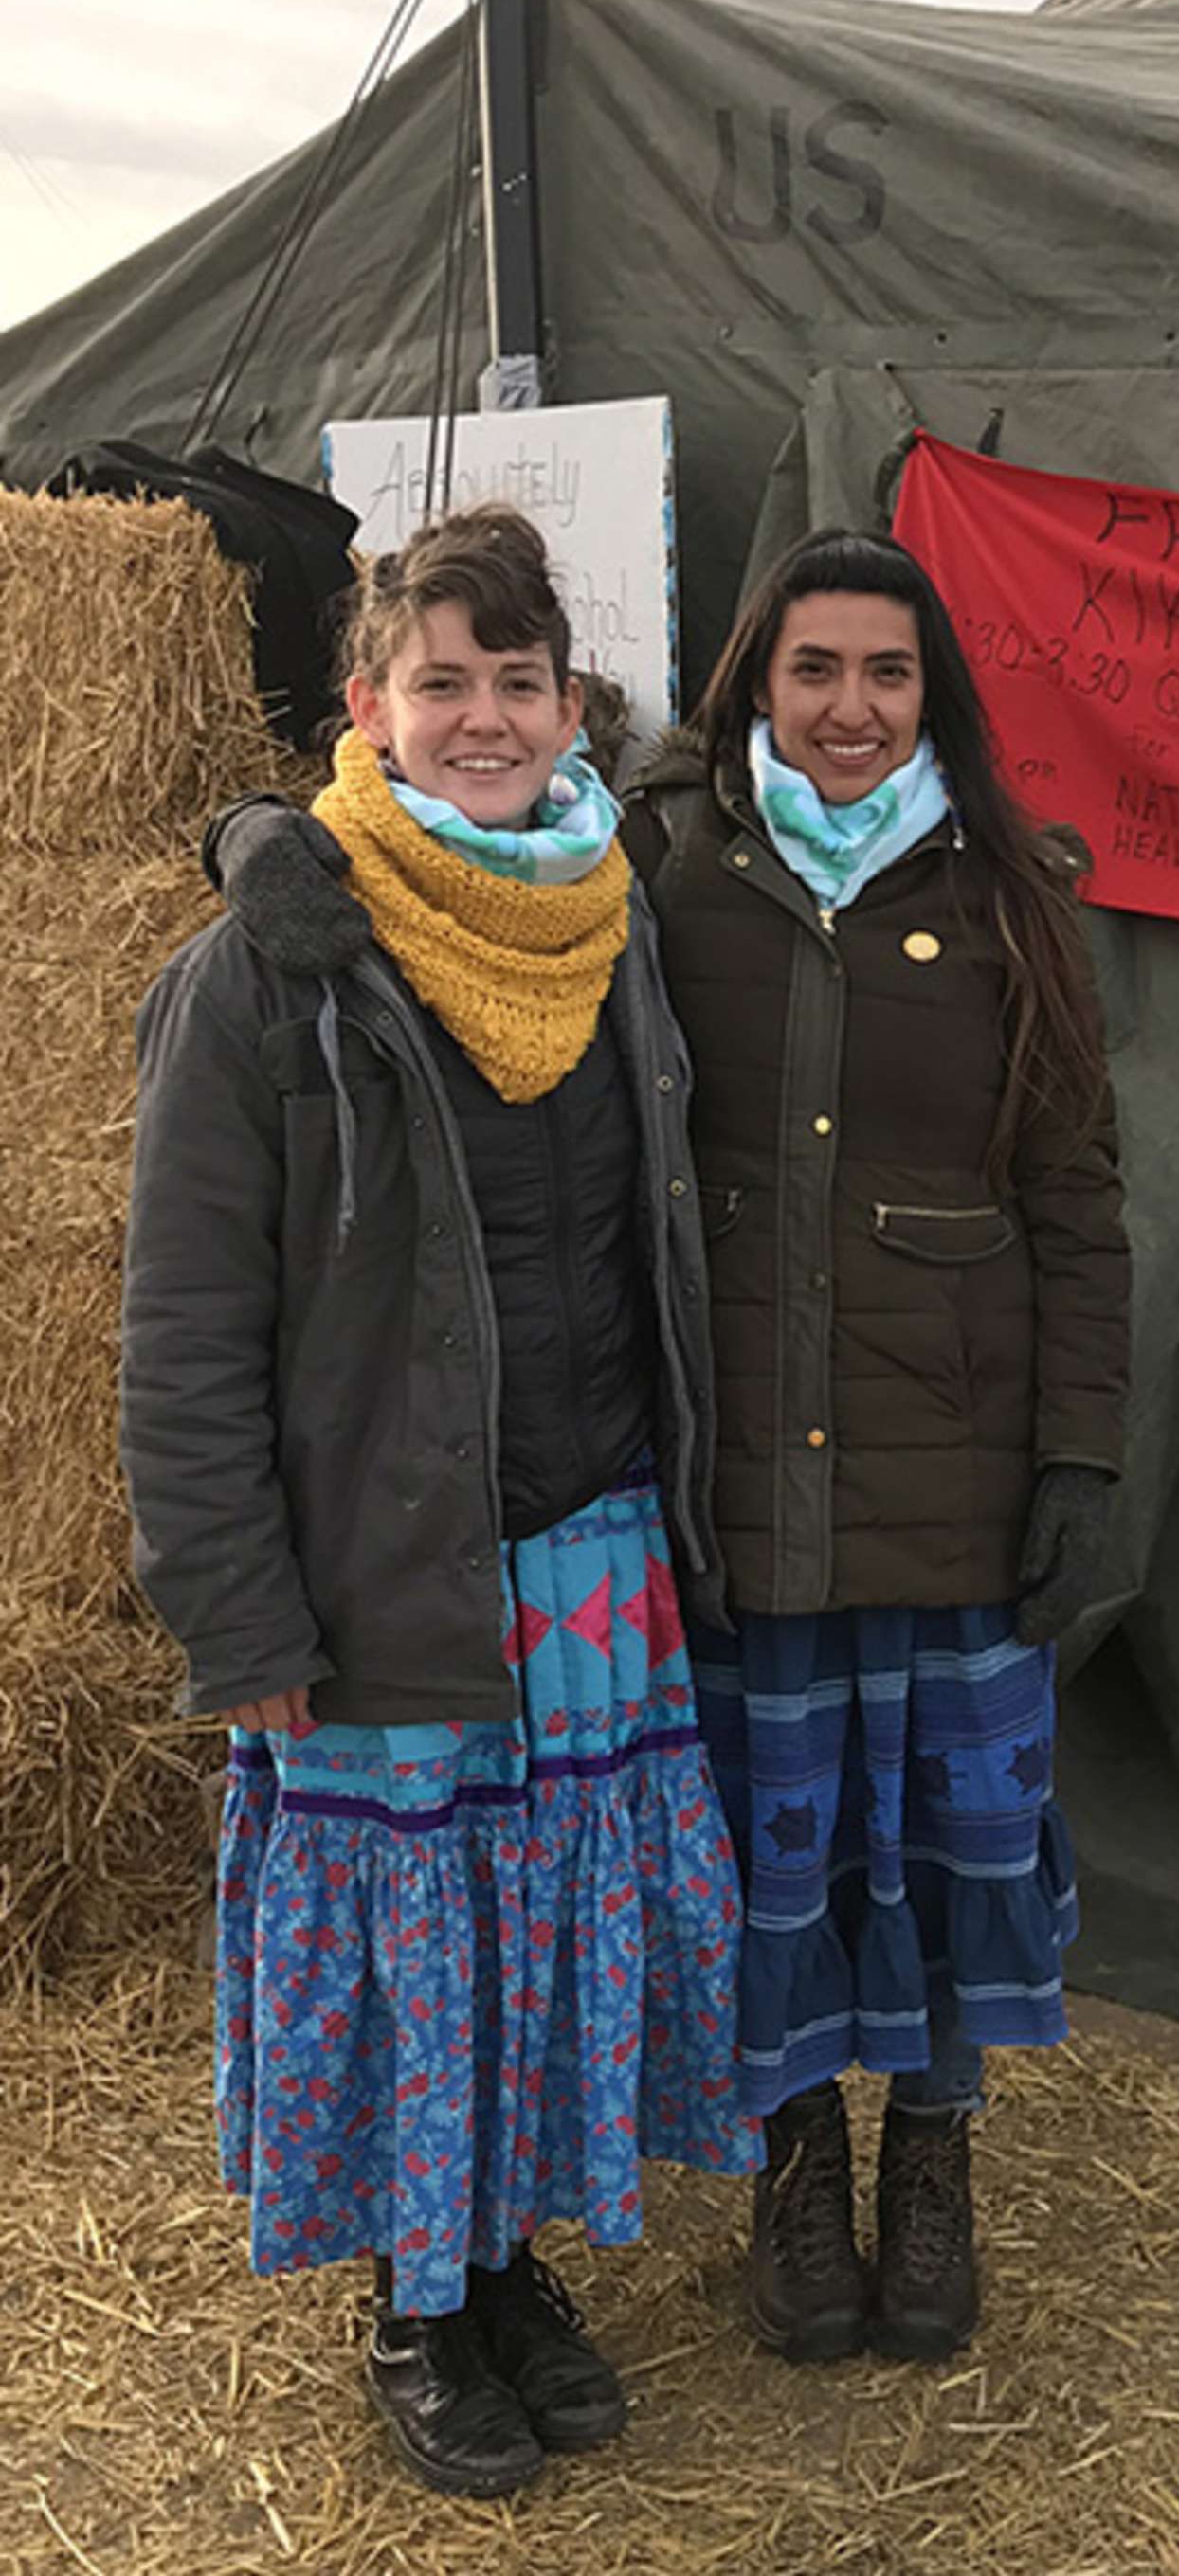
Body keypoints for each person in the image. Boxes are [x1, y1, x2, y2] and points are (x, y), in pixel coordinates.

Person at [122, 507, 754, 2500]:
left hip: (588, 1541)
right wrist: (238, 1616)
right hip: (389, 1560)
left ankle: (511, 2268)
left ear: (571, 705)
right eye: (442, 682)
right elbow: (186, 1330)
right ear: (366, 710)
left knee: (540, 1924)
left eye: (518, 680)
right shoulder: (262, 973)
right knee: (416, 1945)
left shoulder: (609, 920)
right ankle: (416, 2294)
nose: (484, 717)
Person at [620, 527, 1127, 2368]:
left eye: (888, 675)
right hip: (744, 1474)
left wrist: (1080, 1453)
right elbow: (453, 878)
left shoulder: (1007, 896)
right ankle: (794, 2172)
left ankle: (931, 2161)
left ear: (936, 697)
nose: (849, 708)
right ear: (758, 679)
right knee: (778, 1849)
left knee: (941, 1845)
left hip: (955, 1473)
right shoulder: (663, 873)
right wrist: (253, 837)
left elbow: (1077, 1196)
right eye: (815, 669)